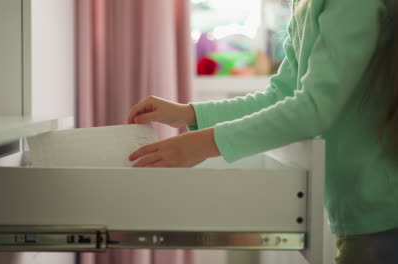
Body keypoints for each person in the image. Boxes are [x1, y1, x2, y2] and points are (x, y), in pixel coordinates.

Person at [127, 0, 397, 263]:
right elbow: (281, 96)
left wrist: (202, 145)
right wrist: (190, 114)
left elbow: (314, 109)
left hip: (381, 210)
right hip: (358, 211)